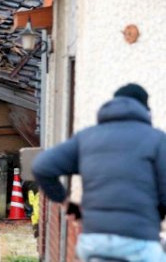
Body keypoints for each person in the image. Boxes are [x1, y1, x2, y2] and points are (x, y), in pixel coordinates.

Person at [32, 84, 166, 262]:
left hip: (93, 242)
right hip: (139, 242)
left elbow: (42, 166)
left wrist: (66, 203)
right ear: (146, 110)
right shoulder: (156, 139)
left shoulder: (86, 137)